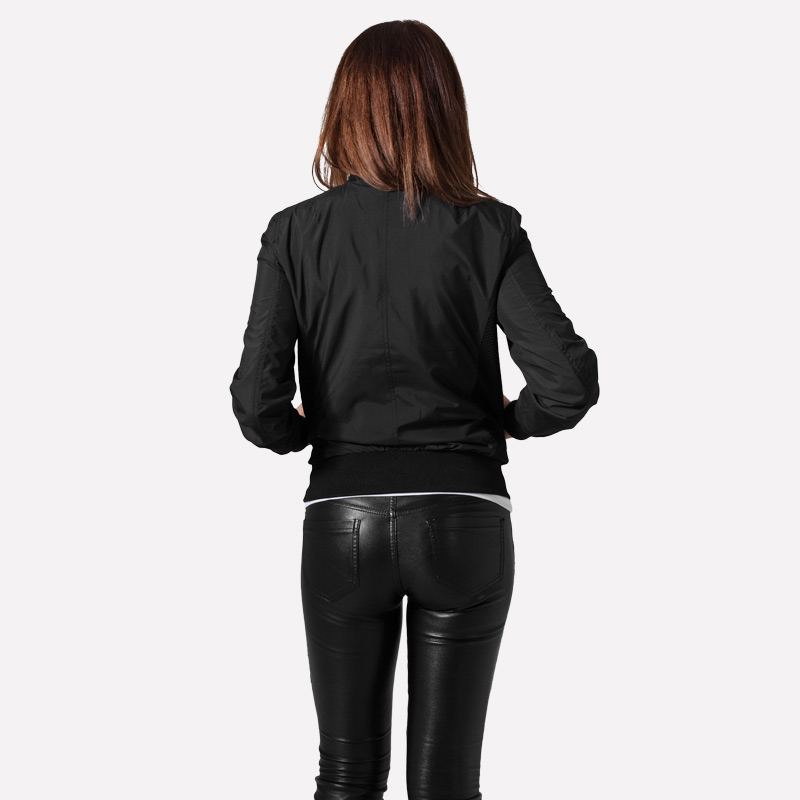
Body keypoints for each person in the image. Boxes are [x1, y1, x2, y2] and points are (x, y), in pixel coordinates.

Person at [230, 19, 599, 800]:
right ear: (445, 109)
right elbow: (566, 382)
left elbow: (256, 403)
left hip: (343, 522)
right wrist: (509, 421)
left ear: (344, 110)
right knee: (447, 783)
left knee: (346, 774)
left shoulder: (294, 234)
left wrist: (308, 434)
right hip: (464, 517)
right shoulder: (490, 227)